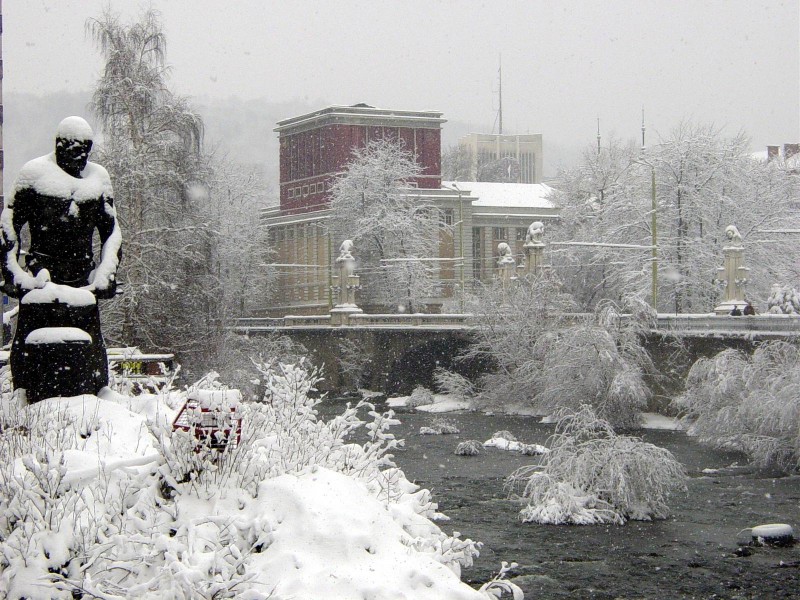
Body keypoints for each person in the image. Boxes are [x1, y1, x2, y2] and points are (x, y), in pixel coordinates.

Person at [0, 116, 122, 400]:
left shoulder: (98, 180)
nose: (78, 155)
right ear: (58, 145)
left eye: (84, 149)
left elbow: (112, 232)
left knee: (92, 348)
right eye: (72, 148)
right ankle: (24, 395)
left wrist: (106, 273)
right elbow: (8, 228)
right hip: (42, 278)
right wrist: (14, 275)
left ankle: (98, 397)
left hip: (82, 278)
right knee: (28, 342)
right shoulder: (34, 177)